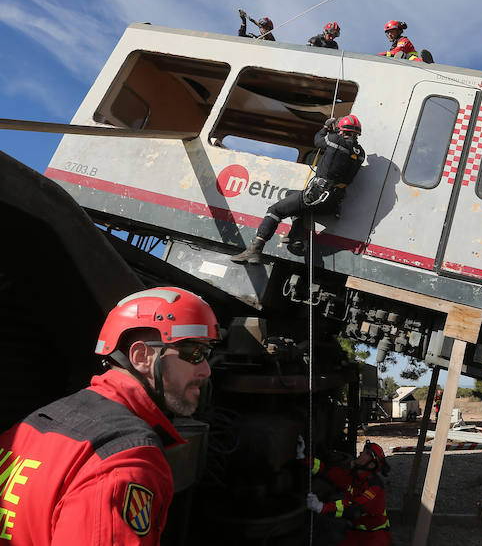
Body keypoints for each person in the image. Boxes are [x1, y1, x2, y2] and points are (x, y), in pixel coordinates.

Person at [0, 287, 218, 545]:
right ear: (142, 357)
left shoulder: (30, 426)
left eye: (208, 353)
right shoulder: (126, 461)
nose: (206, 370)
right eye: (194, 353)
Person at [231, 115, 366, 264]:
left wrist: (326, 127)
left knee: (275, 210)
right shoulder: (361, 153)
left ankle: (254, 249)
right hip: (333, 202)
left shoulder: (335, 140)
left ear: (341, 130)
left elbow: (318, 140)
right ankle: (297, 237)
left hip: (317, 194)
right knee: (291, 196)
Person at [302, 438, 391, 546]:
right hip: (358, 532)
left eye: (366, 453)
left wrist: (322, 507)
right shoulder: (354, 478)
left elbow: (353, 508)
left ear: (371, 465)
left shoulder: (374, 489)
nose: (361, 452)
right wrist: (303, 458)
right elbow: (328, 471)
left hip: (376, 538)